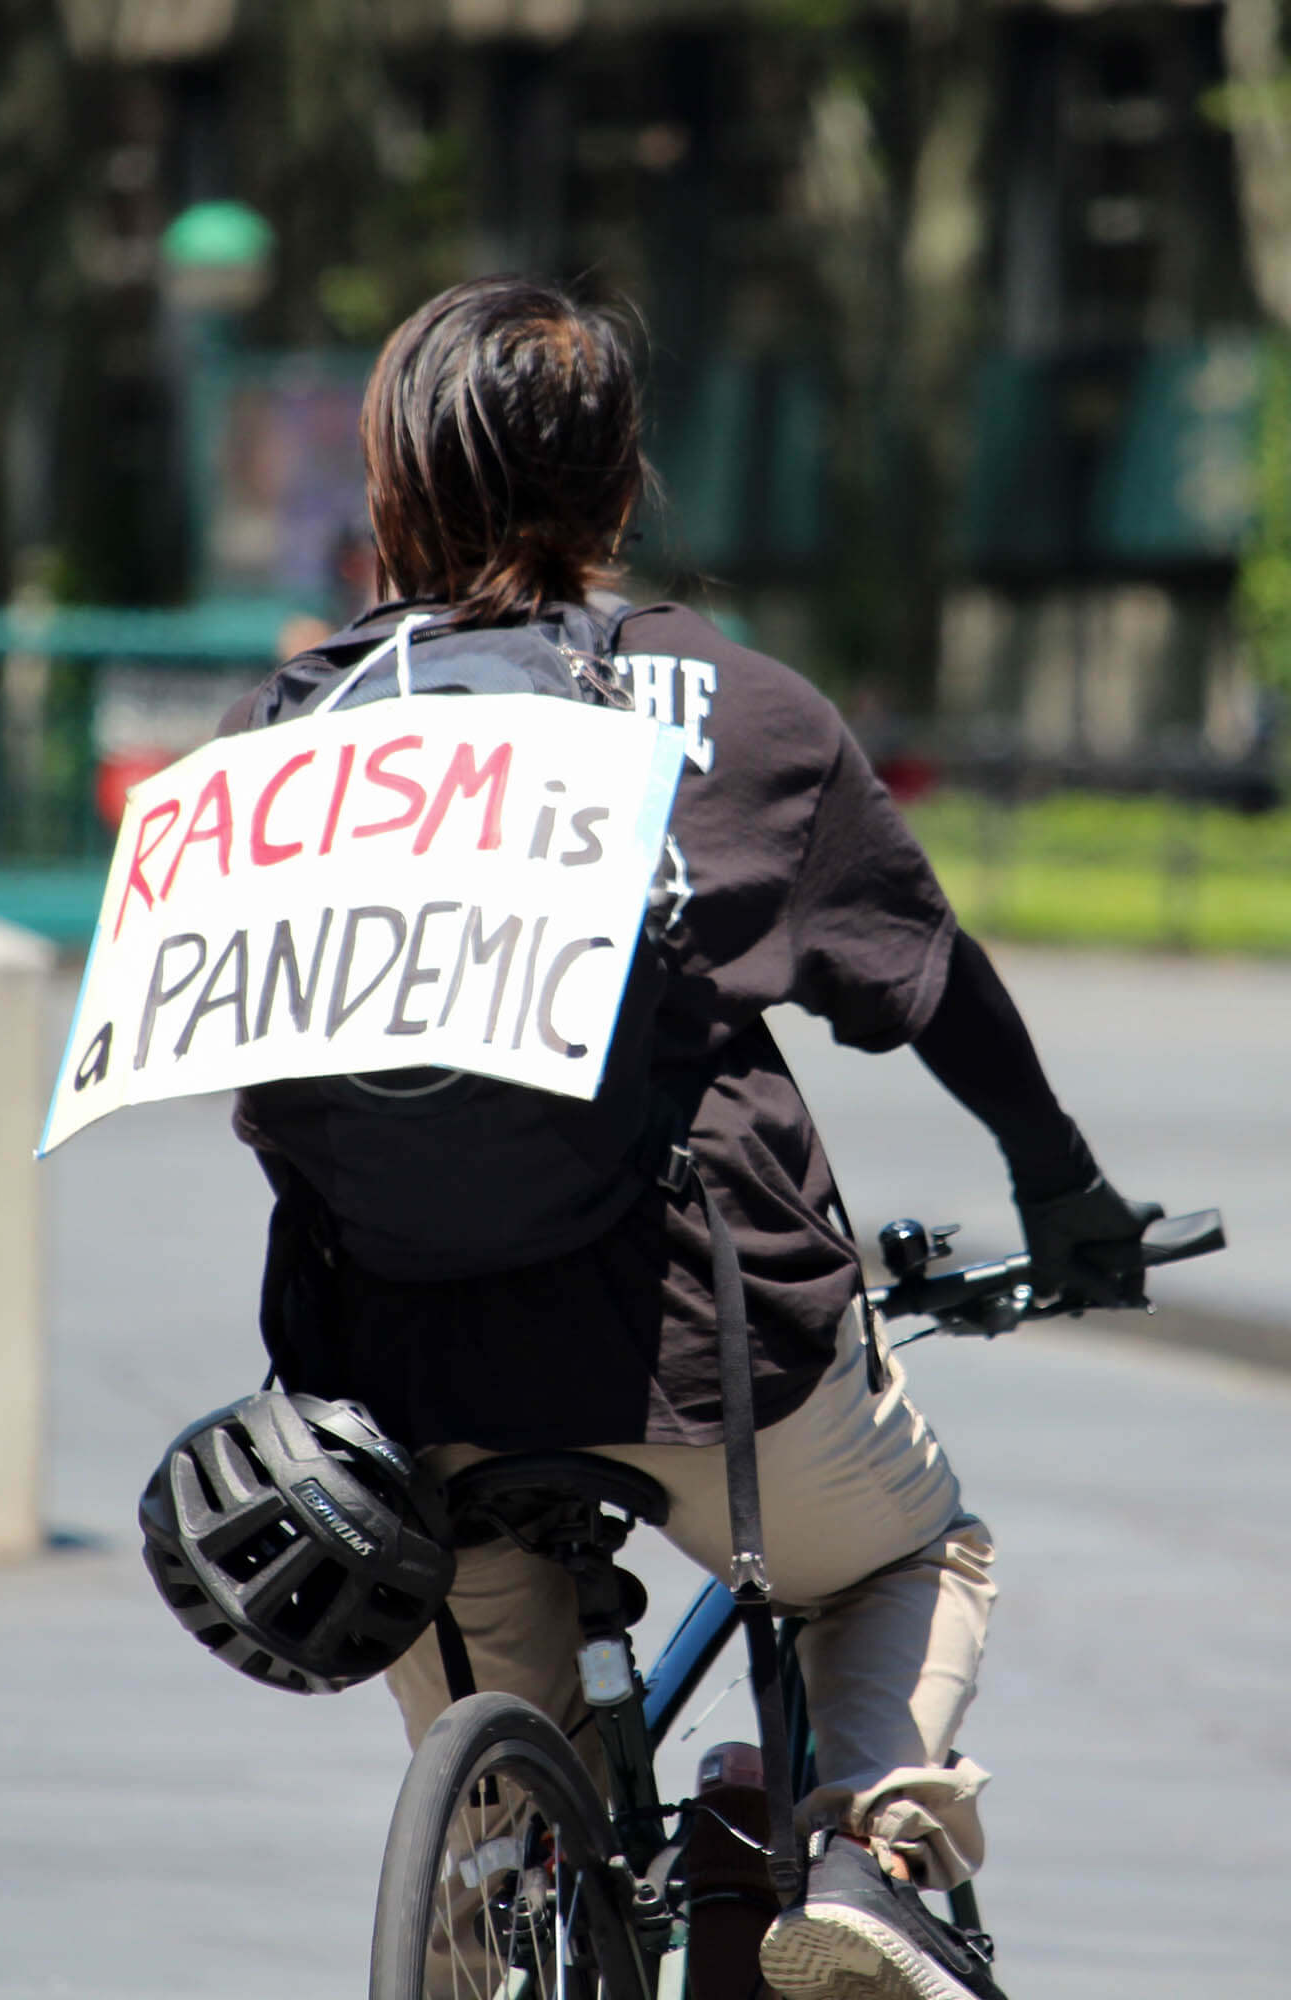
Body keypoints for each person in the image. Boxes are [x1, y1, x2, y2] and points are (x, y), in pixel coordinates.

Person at [221, 279, 1165, 2000]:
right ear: (622, 482)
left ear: (392, 484)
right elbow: (931, 984)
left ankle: (503, 1879)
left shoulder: (292, 735)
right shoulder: (741, 715)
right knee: (912, 1550)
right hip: (714, 1351)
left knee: (511, 1844)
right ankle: (874, 1860)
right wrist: (1064, 1189)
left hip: (398, 1387)